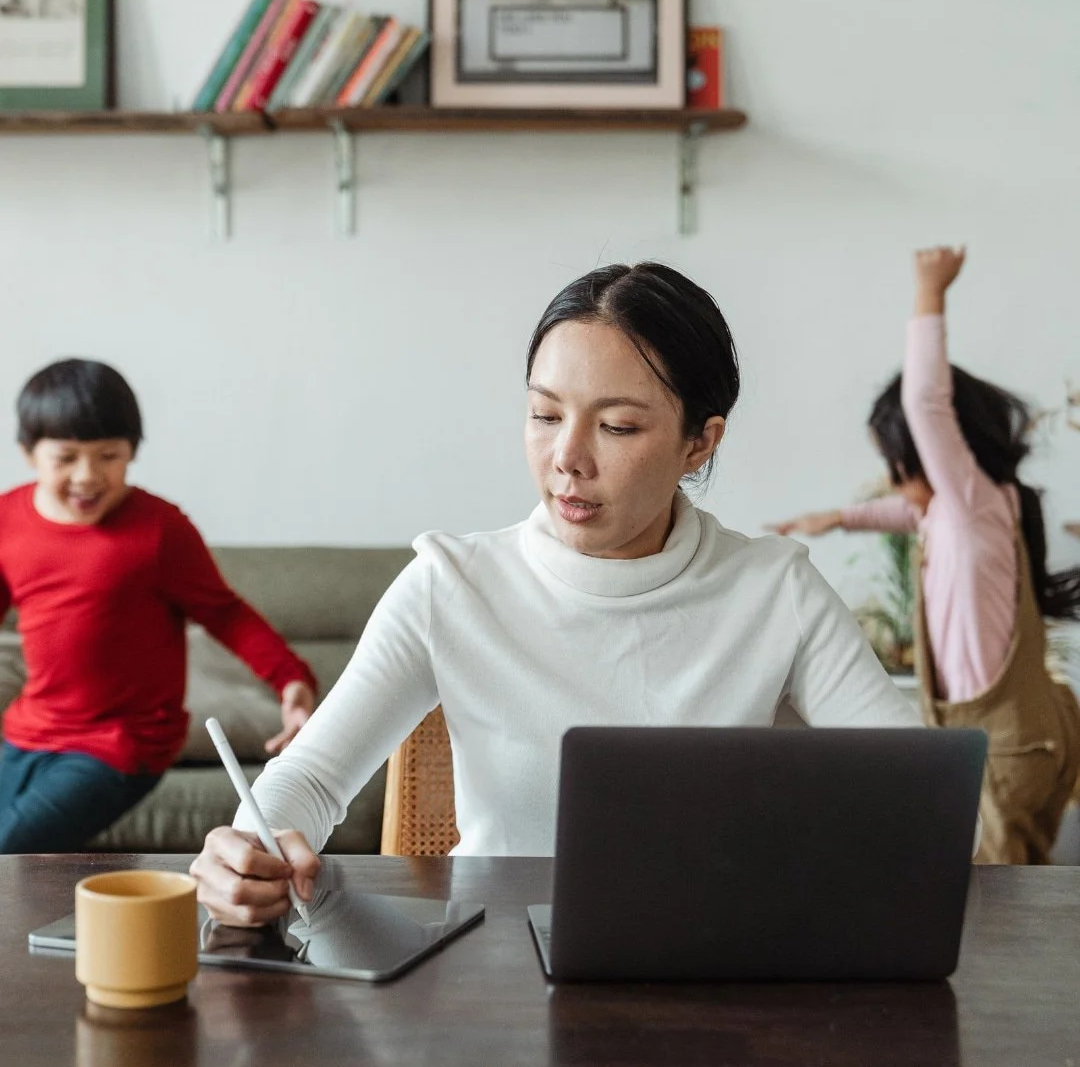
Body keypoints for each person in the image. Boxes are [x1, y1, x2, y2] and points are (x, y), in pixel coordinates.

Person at [191, 261, 922, 926]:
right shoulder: (452, 585)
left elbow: (914, 791)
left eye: (617, 426)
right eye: (544, 415)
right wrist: (250, 847)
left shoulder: (774, 590)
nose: (567, 458)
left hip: (713, 973)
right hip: (494, 984)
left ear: (700, 443)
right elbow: (313, 777)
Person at [769, 246, 1080, 864]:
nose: (890, 479)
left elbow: (924, 402)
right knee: (1015, 891)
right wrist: (839, 518)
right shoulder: (973, 511)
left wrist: (929, 291)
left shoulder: (971, 500)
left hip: (1005, 744)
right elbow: (913, 512)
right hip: (1020, 734)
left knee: (997, 904)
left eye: (894, 462)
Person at [0, 359, 318, 853]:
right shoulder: (7, 520)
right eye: (65, 458)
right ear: (28, 453)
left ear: (132, 453)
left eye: (108, 456)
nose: (87, 476)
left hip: (120, 745)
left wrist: (291, 680)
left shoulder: (159, 531)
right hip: (28, 731)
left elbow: (225, 613)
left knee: (8, 848)